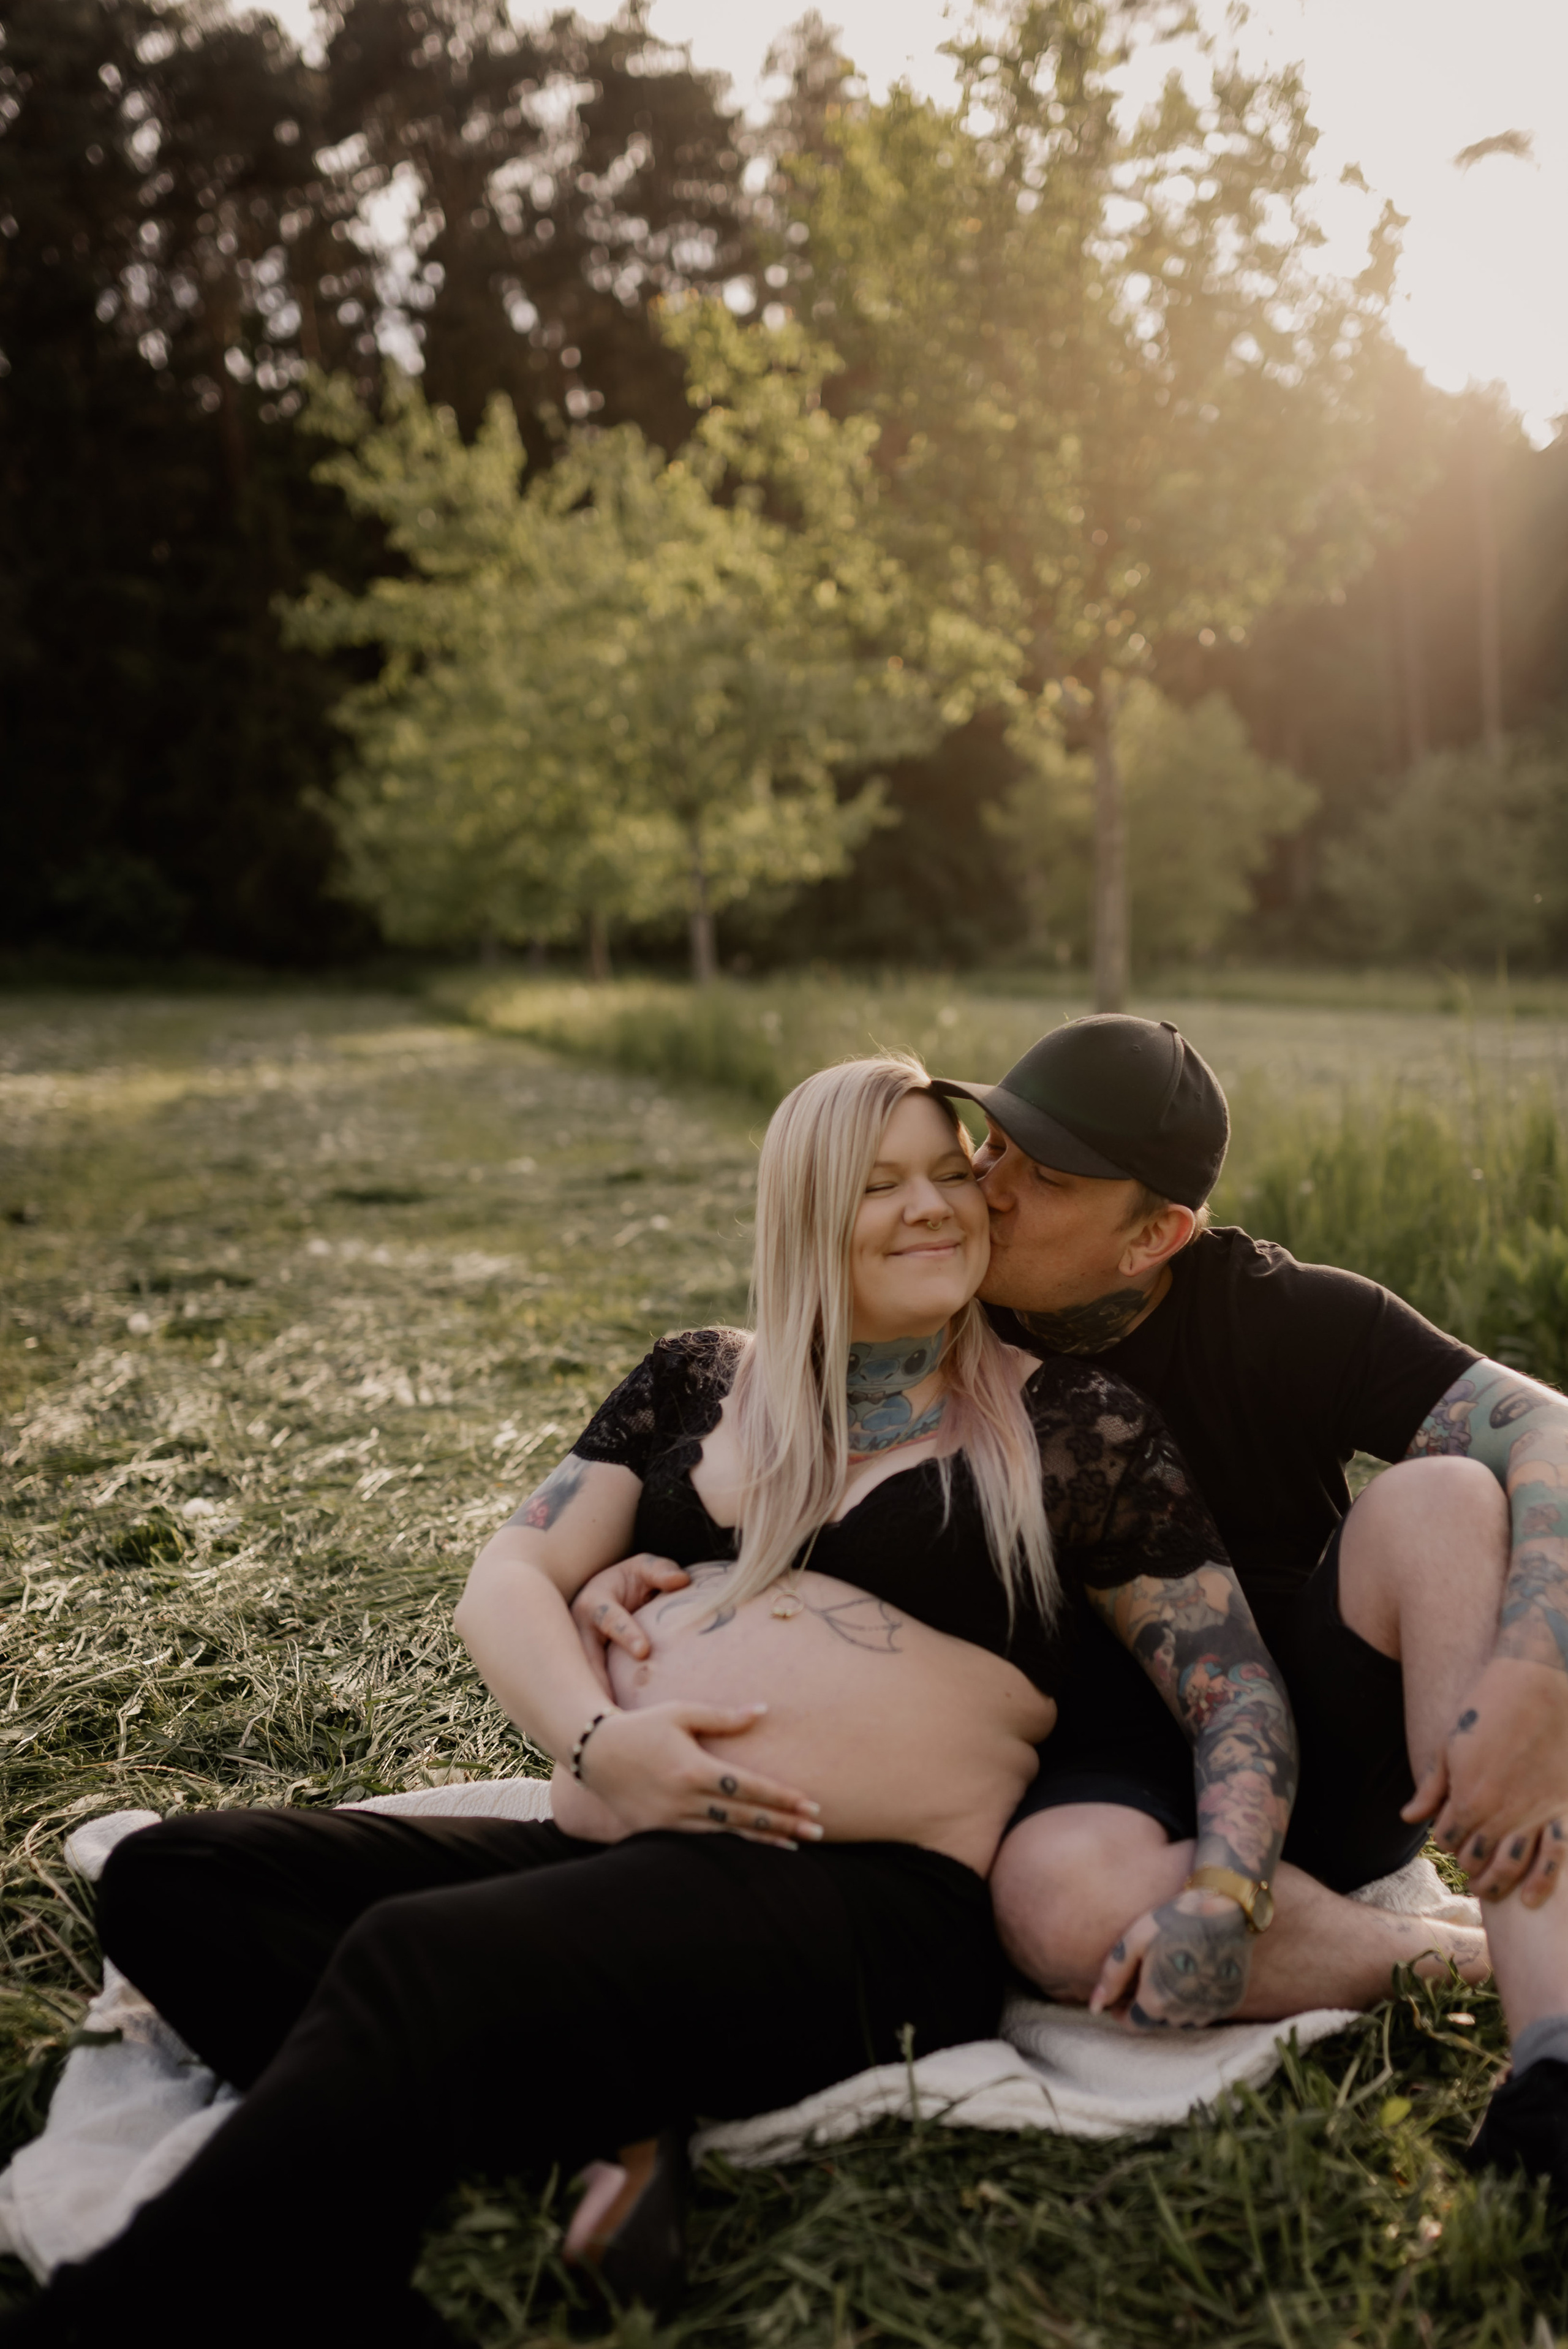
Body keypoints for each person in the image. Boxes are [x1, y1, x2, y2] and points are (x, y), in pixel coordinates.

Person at [3, 1056, 1295, 2349]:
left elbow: (1230, 1687)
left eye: (950, 1175)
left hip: (865, 1903)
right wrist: (597, 1740)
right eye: (877, 1182)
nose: (933, 1207)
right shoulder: (695, 1384)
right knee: (179, 1882)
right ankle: (608, 2106)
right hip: (617, 1845)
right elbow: (509, 1577)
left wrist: (1223, 1891)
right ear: (801, 1206)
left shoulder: (1071, 1428)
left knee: (414, 1965)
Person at [927, 1013, 1568, 2197]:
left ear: (1156, 1234)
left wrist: (1536, 1666)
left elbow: (1550, 1426)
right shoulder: (930, 1311)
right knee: (1057, 1907)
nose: (986, 1184)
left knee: (1441, 1499)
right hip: (1100, 1763)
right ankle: (1449, 1963)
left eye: (1044, 1175)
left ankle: (1553, 2066)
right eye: (992, 1143)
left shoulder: (1282, 1313)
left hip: (1332, 1745)